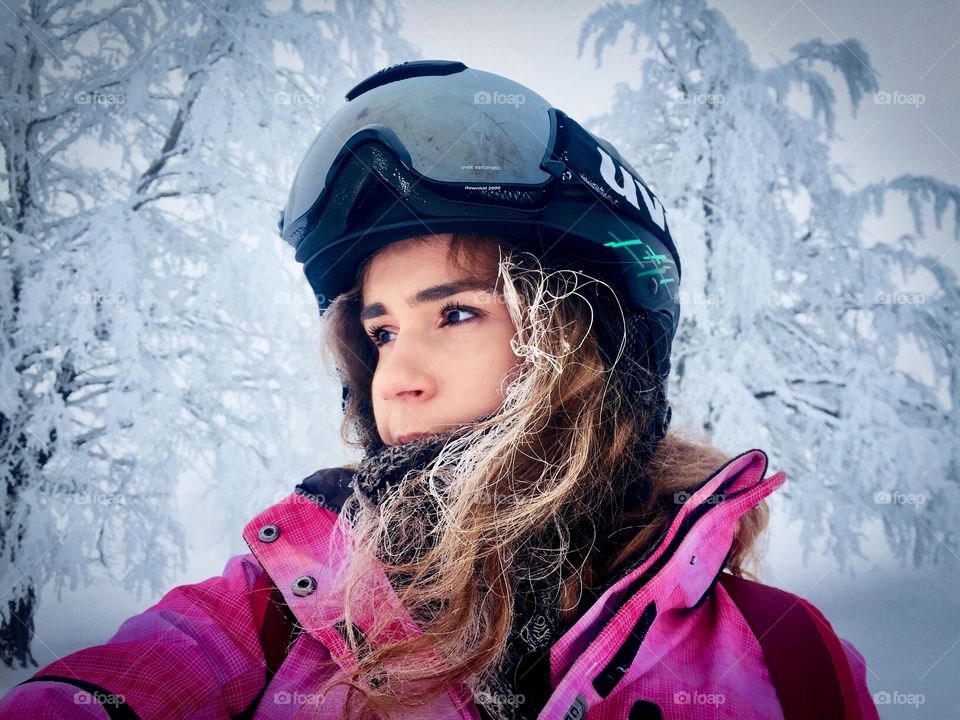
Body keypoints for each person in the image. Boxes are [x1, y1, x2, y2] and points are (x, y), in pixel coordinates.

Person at [0, 61, 878, 719]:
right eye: (379, 334)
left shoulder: (782, 656)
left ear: (581, 339)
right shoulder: (284, 603)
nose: (398, 380)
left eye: (455, 314)